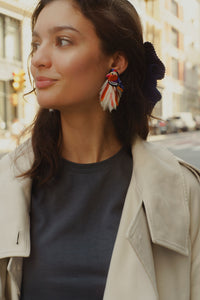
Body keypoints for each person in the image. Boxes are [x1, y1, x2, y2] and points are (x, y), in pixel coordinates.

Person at [0, 0, 200, 299]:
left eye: (63, 41)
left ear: (115, 62)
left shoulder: (183, 192)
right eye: (36, 43)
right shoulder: (7, 182)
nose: (38, 58)